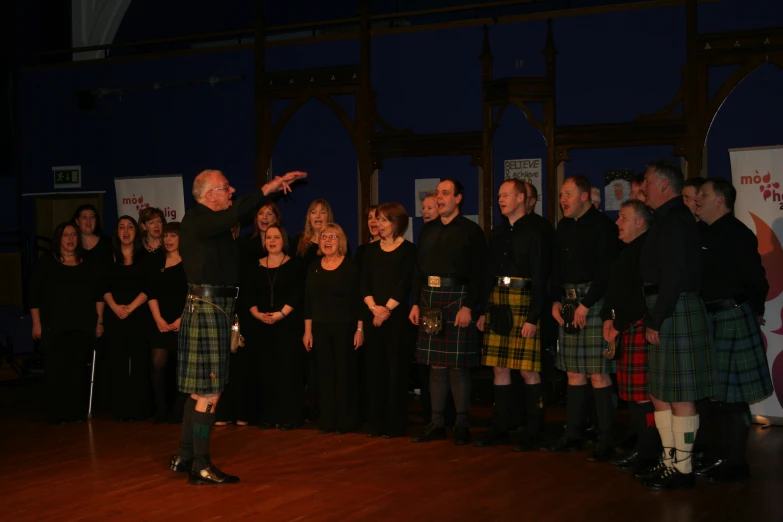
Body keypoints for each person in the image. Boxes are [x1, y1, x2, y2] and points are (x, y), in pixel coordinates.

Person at [168, 168, 306, 486]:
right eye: (225, 188)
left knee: (197, 393)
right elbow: (239, 211)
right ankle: (200, 464)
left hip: (212, 308)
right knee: (209, 394)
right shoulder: (198, 219)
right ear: (208, 194)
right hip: (207, 309)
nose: (231, 192)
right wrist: (269, 188)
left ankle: (184, 455)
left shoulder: (210, 227)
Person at [636, 159, 712, 491]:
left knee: (680, 394)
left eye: (648, 182)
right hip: (666, 308)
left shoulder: (677, 220)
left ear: (665, 185)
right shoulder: (666, 219)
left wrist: (658, 316)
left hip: (674, 308)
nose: (642, 188)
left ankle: (683, 469)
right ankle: (670, 460)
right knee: (660, 393)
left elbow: (676, 273)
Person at [694, 178, 773, 482]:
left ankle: (737, 463)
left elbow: (756, 279)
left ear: (721, 200)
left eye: (704, 194)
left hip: (731, 316)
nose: (698, 198)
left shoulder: (738, 234)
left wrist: (753, 312)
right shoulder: (700, 231)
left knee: (733, 396)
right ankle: (717, 455)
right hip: (707, 318)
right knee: (713, 395)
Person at [543, 175, 621, 462]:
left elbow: (606, 272)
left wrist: (587, 305)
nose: (562, 199)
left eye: (568, 194)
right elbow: (556, 268)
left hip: (594, 302)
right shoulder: (562, 227)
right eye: (561, 194)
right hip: (567, 300)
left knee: (599, 374)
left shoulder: (603, 227)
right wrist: (554, 299)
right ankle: (572, 434)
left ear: (585, 196)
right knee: (574, 373)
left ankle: (606, 440)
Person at [410, 178, 486, 446]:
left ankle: (462, 424)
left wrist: (470, 306)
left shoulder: (471, 231)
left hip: (458, 298)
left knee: (457, 364)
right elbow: (418, 271)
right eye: (437, 193)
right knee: (436, 364)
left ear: (458, 198)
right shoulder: (427, 231)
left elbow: (479, 274)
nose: (439, 198)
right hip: (430, 298)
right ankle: (436, 422)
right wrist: (416, 302)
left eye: (445, 193)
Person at [475, 179, 548, 452]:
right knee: (499, 368)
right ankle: (500, 429)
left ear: (521, 197)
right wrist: (483, 310)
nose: (500, 200)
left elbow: (541, 277)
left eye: (505, 195)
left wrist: (533, 316)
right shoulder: (497, 233)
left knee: (528, 370)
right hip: (498, 300)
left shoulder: (535, 232)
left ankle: (533, 430)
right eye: (498, 196)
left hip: (524, 299)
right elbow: (487, 274)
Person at [601, 200, 660, 474]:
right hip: (625, 326)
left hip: (637, 326)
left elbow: (642, 295)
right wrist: (607, 318)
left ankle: (649, 452)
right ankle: (642, 448)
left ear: (640, 222)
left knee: (643, 395)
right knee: (633, 393)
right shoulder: (626, 250)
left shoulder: (647, 250)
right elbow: (615, 290)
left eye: (623, 217)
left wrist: (618, 322)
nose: (617, 223)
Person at [30, 222, 104, 424]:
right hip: (55, 326)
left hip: (82, 325)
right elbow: (35, 296)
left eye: (73, 235)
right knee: (56, 370)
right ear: (58, 239)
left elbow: (98, 294)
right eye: (66, 235)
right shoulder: (47, 262)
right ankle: (57, 413)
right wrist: (36, 324)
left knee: (78, 370)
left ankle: (76, 412)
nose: (70, 239)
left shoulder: (88, 261)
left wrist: (100, 321)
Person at [361, 202, 417, 438]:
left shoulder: (409, 250)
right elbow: (363, 283)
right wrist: (374, 308)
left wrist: (386, 310)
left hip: (395, 320)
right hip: (373, 316)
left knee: (396, 371)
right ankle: (377, 422)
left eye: (384, 220)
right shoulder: (369, 251)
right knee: (375, 370)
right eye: (377, 220)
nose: (378, 224)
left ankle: (395, 423)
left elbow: (405, 284)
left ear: (397, 223)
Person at [303, 223, 364, 435]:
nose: (328, 240)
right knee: (325, 376)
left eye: (333, 236)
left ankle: (345, 422)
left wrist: (360, 329)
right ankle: (327, 421)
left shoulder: (351, 267)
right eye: (324, 237)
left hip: (346, 328)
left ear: (341, 241)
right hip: (320, 328)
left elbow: (358, 301)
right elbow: (308, 302)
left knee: (344, 374)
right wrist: (307, 331)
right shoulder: (313, 267)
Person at [246, 225, 305, 430]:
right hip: (261, 326)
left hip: (287, 325)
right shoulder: (255, 266)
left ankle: (289, 417)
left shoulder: (295, 265)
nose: (272, 240)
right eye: (268, 237)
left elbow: (297, 293)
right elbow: (248, 294)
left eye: (276, 237)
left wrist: (281, 314)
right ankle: (268, 416)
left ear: (284, 241)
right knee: (266, 371)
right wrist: (256, 313)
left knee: (287, 371)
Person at [103, 215, 152, 422]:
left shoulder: (145, 258)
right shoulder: (108, 257)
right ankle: (121, 408)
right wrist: (115, 307)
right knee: (118, 361)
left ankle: (139, 408)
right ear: (116, 232)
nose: (125, 231)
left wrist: (130, 307)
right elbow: (102, 287)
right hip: (115, 315)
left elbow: (149, 287)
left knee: (140, 361)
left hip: (138, 314)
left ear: (136, 232)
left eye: (130, 227)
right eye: (121, 227)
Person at [146, 222, 188, 423]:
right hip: (160, 321)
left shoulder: (189, 262)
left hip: (184, 320)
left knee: (182, 368)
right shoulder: (156, 261)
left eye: (173, 236)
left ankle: (177, 412)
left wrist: (182, 319)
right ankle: (160, 410)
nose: (169, 240)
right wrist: (159, 320)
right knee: (158, 363)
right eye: (166, 236)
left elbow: (193, 294)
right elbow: (151, 293)